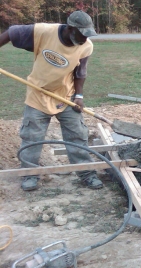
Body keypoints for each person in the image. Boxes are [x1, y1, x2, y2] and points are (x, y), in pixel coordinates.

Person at [0, 10, 103, 191]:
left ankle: (86, 173)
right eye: (82, 34)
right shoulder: (44, 31)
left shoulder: (86, 46)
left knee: (78, 135)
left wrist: (79, 96)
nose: (85, 39)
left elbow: (81, 72)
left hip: (65, 95)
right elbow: (11, 33)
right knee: (32, 137)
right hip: (38, 94)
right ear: (71, 29)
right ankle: (29, 175)